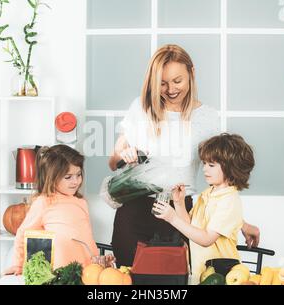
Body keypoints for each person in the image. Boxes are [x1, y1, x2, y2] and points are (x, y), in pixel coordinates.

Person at [108, 44, 260, 267]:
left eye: (177, 81)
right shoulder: (141, 109)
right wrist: (124, 153)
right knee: (129, 280)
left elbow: (221, 179)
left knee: (176, 282)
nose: (170, 90)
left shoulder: (208, 118)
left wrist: (240, 223)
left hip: (180, 213)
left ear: (192, 73)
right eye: (162, 83)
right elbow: (113, 163)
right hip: (135, 213)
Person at [152, 133, 255, 284]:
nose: (205, 169)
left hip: (223, 277)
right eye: (204, 163)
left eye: (211, 165)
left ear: (231, 167)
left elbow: (206, 239)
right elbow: (191, 227)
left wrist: (172, 218)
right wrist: (179, 203)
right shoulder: (207, 194)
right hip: (201, 275)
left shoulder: (229, 200)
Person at [4, 145, 101, 276]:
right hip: (60, 273)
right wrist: (18, 264)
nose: (76, 181)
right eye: (68, 177)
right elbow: (23, 233)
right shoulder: (44, 202)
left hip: (87, 270)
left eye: (78, 175)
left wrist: (96, 260)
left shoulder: (81, 202)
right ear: (52, 177)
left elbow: (87, 236)